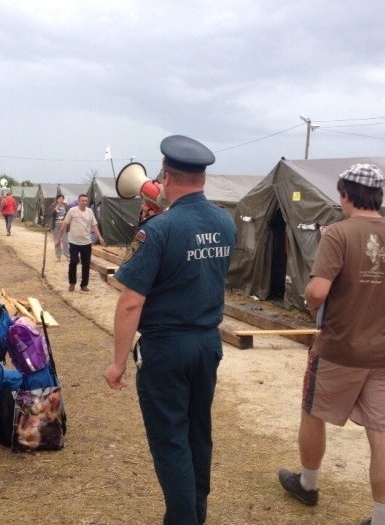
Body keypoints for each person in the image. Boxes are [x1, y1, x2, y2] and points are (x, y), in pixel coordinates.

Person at [277, 163, 385, 525]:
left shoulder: (338, 234)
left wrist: (311, 303)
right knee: (383, 432)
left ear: (345, 194)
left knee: (313, 413)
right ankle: (381, 519)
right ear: (378, 196)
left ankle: (308, 485)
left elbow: (317, 291)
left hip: (340, 349)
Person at [104, 135, 236, 525]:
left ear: (165, 175)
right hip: (207, 344)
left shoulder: (158, 230)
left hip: (166, 348)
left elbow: (130, 302)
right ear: (202, 177)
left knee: (170, 440)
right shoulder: (225, 222)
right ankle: (196, 512)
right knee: (198, 433)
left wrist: (117, 363)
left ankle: (182, 519)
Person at [55, 193, 104, 292]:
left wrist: (99, 236)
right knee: (73, 262)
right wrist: (58, 238)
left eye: (86, 201)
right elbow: (64, 224)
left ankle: (84, 285)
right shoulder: (72, 211)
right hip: (74, 242)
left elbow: (94, 225)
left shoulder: (90, 212)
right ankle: (72, 283)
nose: (84, 203)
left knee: (86, 264)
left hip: (86, 242)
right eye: (82, 201)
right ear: (78, 201)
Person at [51, 194, 70, 261]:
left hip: (64, 224)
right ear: (57, 199)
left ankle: (67, 256)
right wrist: (54, 210)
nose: (61, 200)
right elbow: (51, 214)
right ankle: (58, 256)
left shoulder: (66, 206)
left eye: (62, 198)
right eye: (59, 198)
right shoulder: (53, 205)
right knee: (57, 240)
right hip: (56, 224)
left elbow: (69, 215)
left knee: (65, 240)